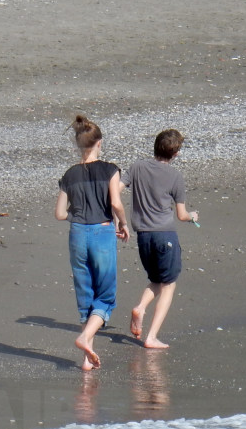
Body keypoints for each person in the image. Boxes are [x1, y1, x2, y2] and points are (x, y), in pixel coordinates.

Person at [55, 115, 129, 371]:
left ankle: (87, 358)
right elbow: (116, 203)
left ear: (78, 145)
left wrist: (78, 212)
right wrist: (124, 223)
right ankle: (86, 338)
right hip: (102, 231)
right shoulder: (110, 169)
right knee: (106, 296)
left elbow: (60, 213)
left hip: (77, 232)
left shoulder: (69, 174)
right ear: (99, 142)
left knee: (85, 293)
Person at [121, 128, 198, 349]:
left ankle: (141, 308)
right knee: (169, 284)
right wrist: (193, 217)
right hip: (165, 235)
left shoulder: (137, 167)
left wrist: (120, 219)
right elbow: (182, 215)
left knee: (156, 279)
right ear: (175, 154)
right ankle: (151, 336)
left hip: (143, 236)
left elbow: (115, 188)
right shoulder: (175, 176)